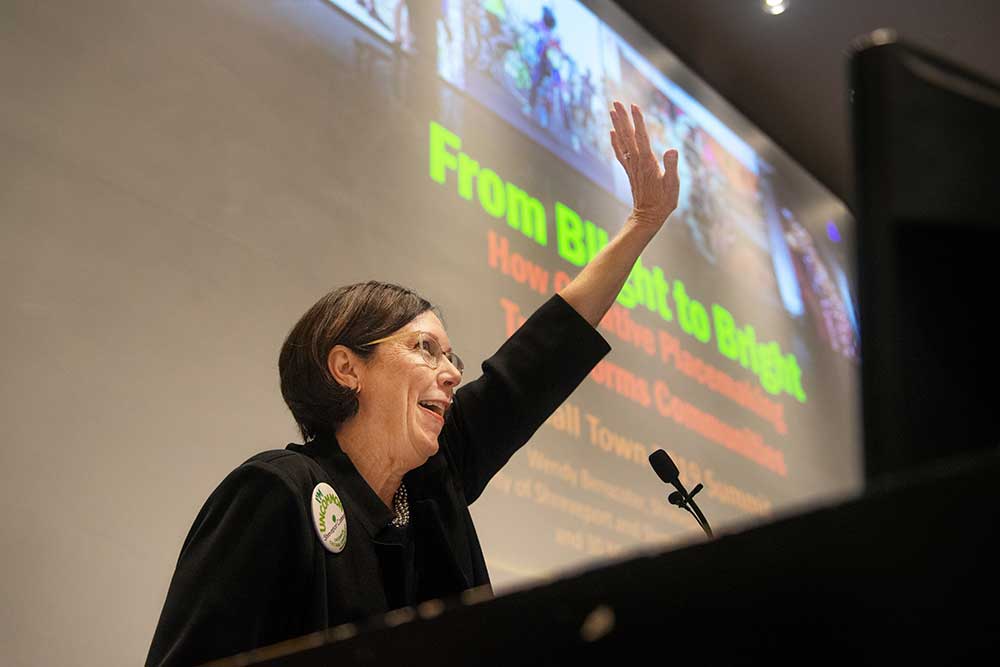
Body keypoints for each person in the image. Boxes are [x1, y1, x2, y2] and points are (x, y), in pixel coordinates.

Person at [145, 102, 680, 667]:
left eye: (452, 356)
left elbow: (539, 359)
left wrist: (642, 223)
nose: (451, 372)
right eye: (424, 348)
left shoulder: (432, 486)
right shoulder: (277, 493)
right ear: (348, 368)